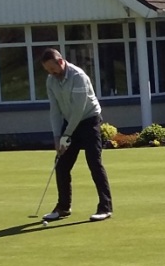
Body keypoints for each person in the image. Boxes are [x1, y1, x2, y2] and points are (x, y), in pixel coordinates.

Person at [39, 47, 112, 222]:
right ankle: (63, 207)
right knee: (61, 165)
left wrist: (66, 135)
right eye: (48, 70)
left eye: (53, 68)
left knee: (94, 163)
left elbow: (79, 110)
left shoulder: (78, 76)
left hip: (89, 121)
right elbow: (55, 110)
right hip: (69, 122)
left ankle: (105, 207)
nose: (51, 73)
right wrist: (57, 137)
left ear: (61, 62)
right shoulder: (51, 81)